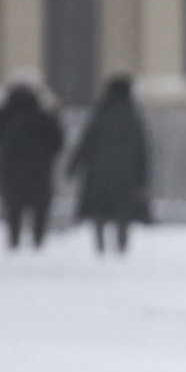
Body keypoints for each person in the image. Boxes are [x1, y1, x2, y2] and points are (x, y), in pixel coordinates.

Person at [66, 73, 152, 255]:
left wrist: (72, 168)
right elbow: (142, 152)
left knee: (100, 210)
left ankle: (100, 245)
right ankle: (121, 243)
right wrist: (143, 180)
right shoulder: (133, 118)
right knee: (123, 211)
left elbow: (85, 144)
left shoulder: (99, 116)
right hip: (126, 176)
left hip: (99, 173)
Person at [0, 80, 64, 249]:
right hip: (39, 173)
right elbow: (58, 142)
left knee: (13, 209)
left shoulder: (5, 116)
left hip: (12, 171)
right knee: (40, 210)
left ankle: (14, 240)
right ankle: (38, 241)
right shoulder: (42, 117)